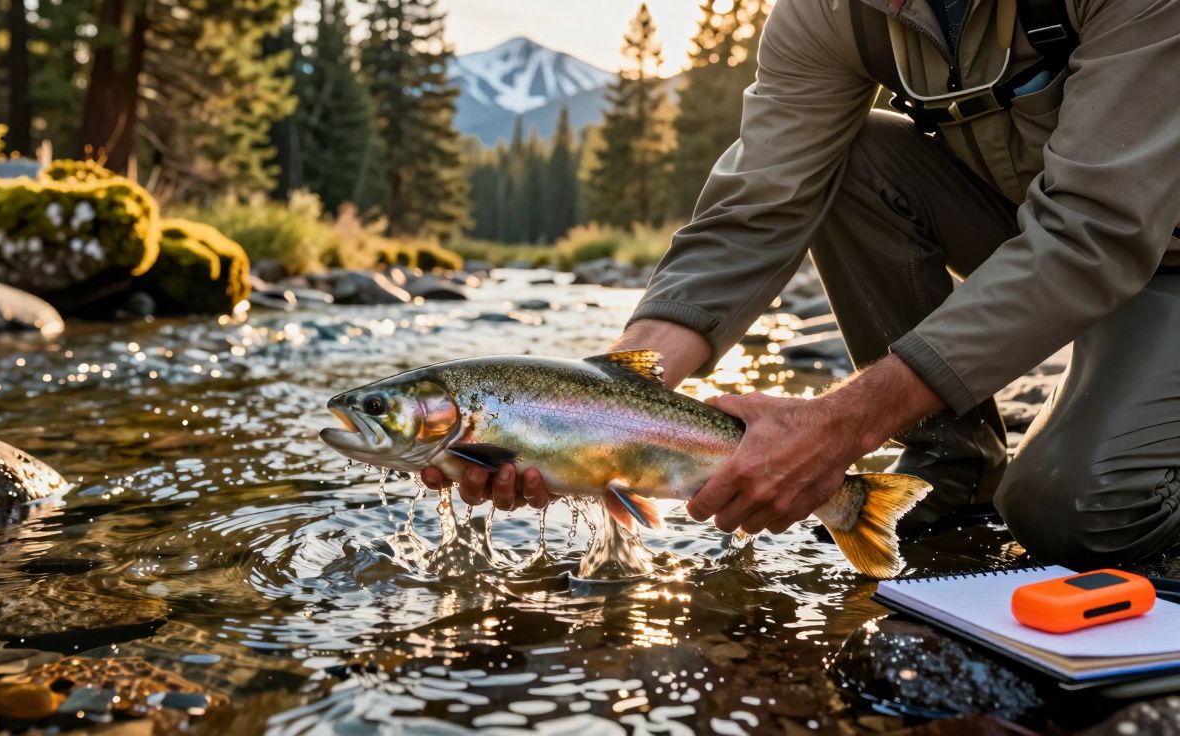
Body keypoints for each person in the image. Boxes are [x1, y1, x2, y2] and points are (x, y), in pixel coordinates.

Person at [425, 0, 1180, 567]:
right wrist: (601, 402)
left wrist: (844, 423)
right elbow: (758, 205)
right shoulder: (828, 12)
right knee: (846, 160)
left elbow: (1094, 230)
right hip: (1038, 232)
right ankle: (951, 468)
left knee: (1072, 509)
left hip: (1152, 252)